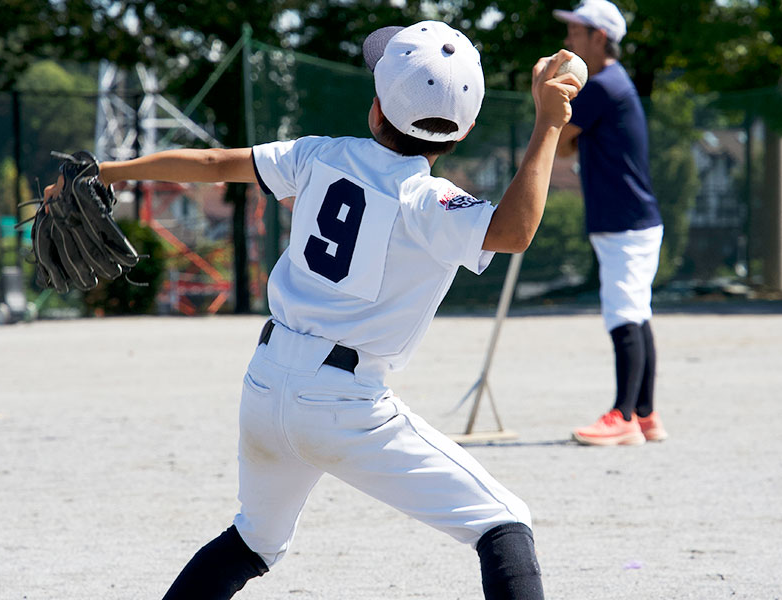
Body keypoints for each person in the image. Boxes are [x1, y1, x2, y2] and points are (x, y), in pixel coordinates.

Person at [46, 21, 581, 599]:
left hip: (266, 381)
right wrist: (549, 120)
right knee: (504, 522)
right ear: (466, 129)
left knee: (254, 542)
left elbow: (210, 162)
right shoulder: (431, 200)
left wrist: (106, 171)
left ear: (376, 108)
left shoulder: (317, 156)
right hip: (345, 405)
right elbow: (515, 229)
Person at [552, 0, 668, 446]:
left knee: (624, 314)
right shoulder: (612, 84)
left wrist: (549, 94)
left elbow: (558, 140)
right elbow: (565, 147)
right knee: (636, 314)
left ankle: (622, 416)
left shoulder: (602, 87)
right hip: (630, 221)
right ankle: (644, 415)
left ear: (599, 37)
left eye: (576, 32)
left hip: (624, 223)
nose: (568, 41)